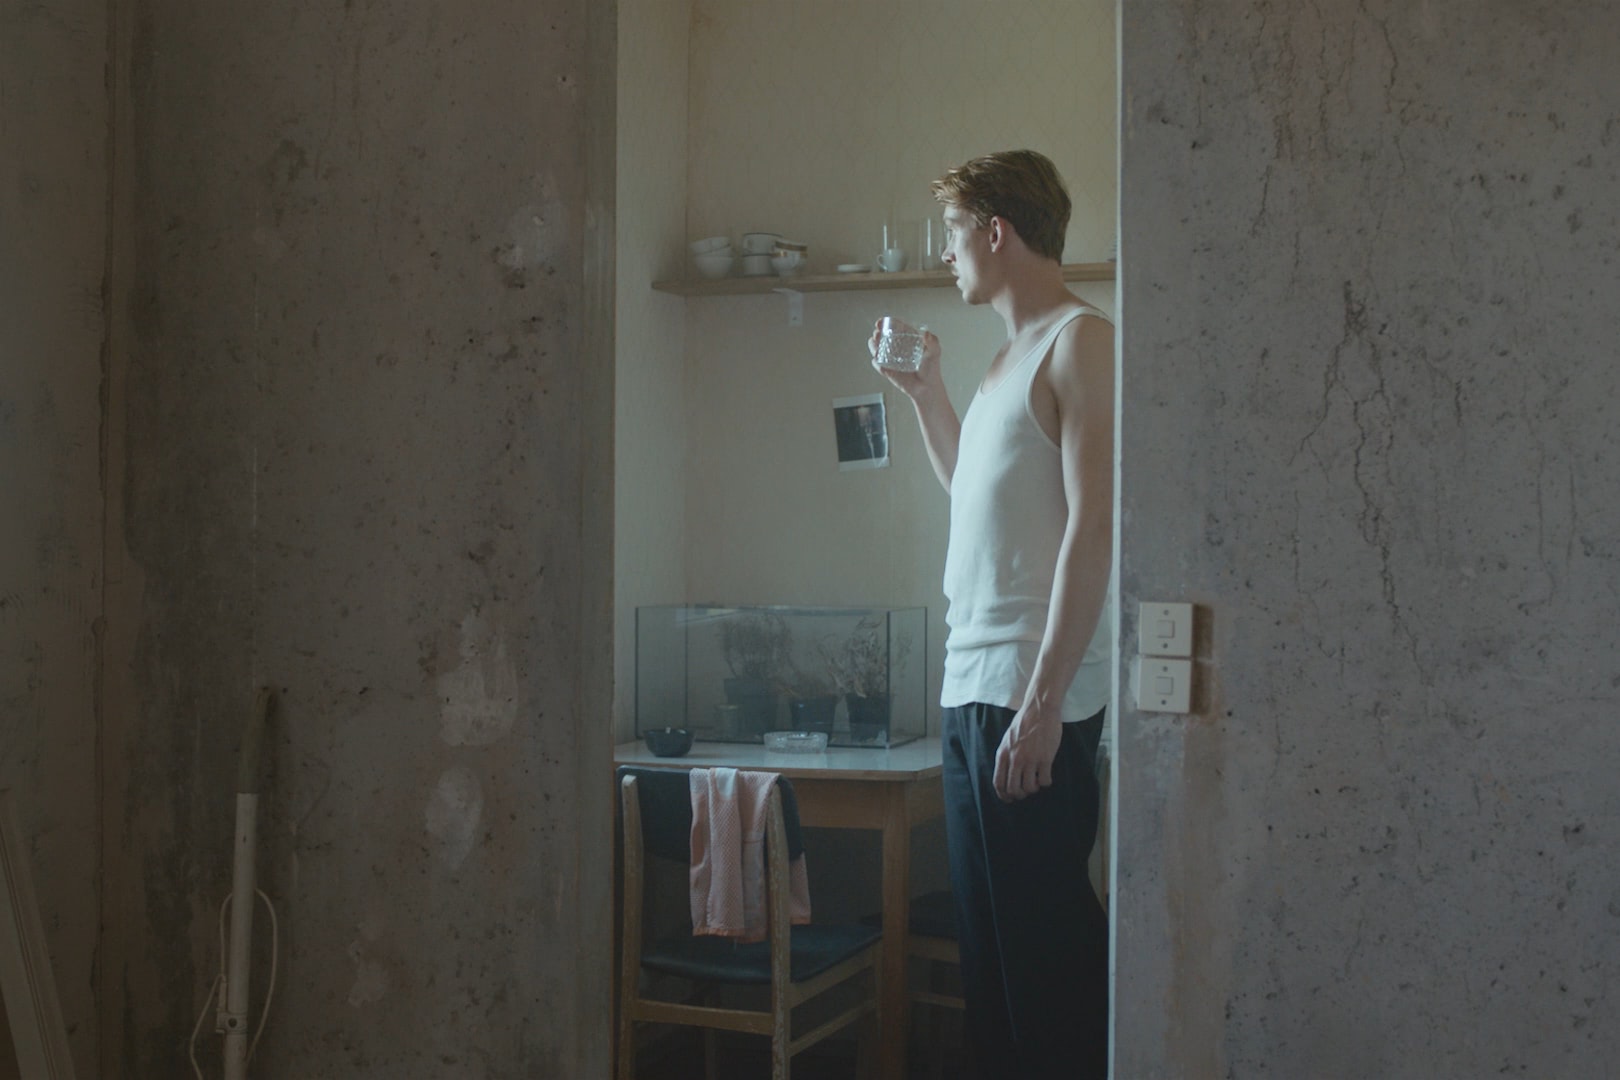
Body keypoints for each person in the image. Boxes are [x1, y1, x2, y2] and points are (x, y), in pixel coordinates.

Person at [871, 149, 1113, 1079]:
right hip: (971, 689)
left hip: (1027, 694)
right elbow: (975, 496)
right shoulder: (1006, 356)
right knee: (993, 966)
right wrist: (927, 392)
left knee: (1044, 961)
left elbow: (1092, 531)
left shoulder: (1080, 341)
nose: (949, 256)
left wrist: (1046, 702)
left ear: (995, 231)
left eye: (953, 234)